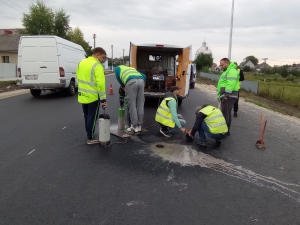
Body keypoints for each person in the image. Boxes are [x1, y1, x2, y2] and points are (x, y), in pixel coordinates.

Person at [76, 47, 107, 144]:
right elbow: (101, 84)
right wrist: (103, 99)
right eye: (102, 57)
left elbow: (78, 76)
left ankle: (89, 134)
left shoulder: (81, 62)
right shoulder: (97, 65)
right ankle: (90, 138)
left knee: (87, 117)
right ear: (97, 55)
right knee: (92, 118)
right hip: (93, 96)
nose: (102, 60)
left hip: (82, 95)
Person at [114, 65, 146, 133]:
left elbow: (118, 78)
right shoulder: (132, 69)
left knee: (132, 105)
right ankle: (139, 126)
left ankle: (133, 126)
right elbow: (144, 76)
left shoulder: (117, 68)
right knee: (140, 105)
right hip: (141, 81)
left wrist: (123, 86)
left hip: (131, 82)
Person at [217, 58, 239, 136]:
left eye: (222, 65)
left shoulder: (231, 71)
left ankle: (223, 131)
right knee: (227, 113)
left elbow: (231, 83)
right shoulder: (227, 71)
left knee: (224, 114)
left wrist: (226, 94)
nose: (221, 66)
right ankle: (226, 131)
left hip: (229, 96)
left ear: (227, 63)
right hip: (227, 95)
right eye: (220, 65)